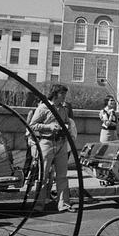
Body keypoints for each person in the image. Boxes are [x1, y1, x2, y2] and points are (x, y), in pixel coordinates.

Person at [30, 83, 75, 212]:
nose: (65, 97)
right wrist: (49, 127)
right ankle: (38, 205)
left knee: (62, 176)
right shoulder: (43, 108)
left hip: (61, 143)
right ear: (56, 94)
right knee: (43, 176)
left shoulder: (63, 109)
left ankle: (63, 204)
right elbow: (32, 125)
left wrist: (66, 126)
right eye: (63, 94)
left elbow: (66, 122)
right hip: (47, 143)